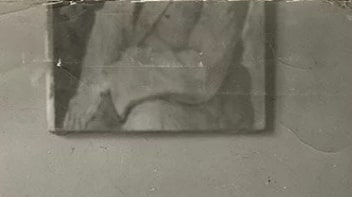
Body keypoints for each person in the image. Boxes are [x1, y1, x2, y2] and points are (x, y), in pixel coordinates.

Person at [63, 0, 254, 132]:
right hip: (126, 91)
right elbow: (109, 30)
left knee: (146, 120)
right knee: (83, 125)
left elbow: (204, 70)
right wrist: (88, 92)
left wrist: (115, 77)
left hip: (202, 102)